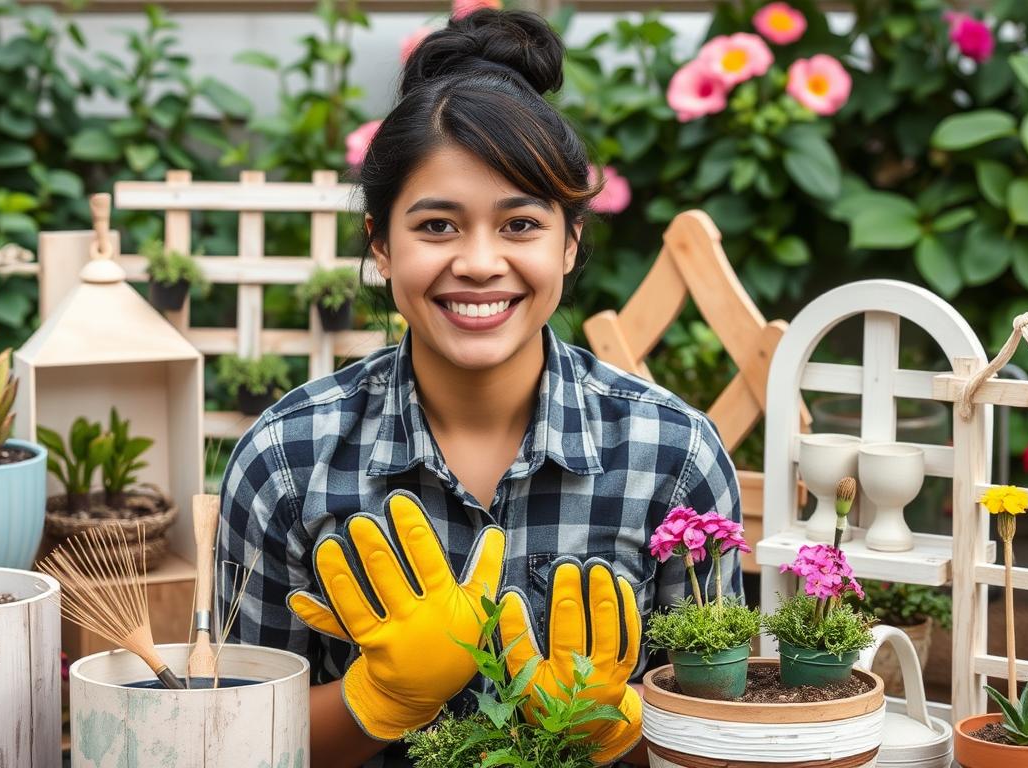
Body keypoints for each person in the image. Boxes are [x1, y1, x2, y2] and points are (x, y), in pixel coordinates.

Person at [217, 8, 741, 766]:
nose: (479, 263)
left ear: (570, 241)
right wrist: (379, 699)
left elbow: (725, 736)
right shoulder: (287, 460)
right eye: (437, 226)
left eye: (520, 224)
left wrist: (617, 728)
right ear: (380, 244)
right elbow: (231, 739)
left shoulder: (673, 456)